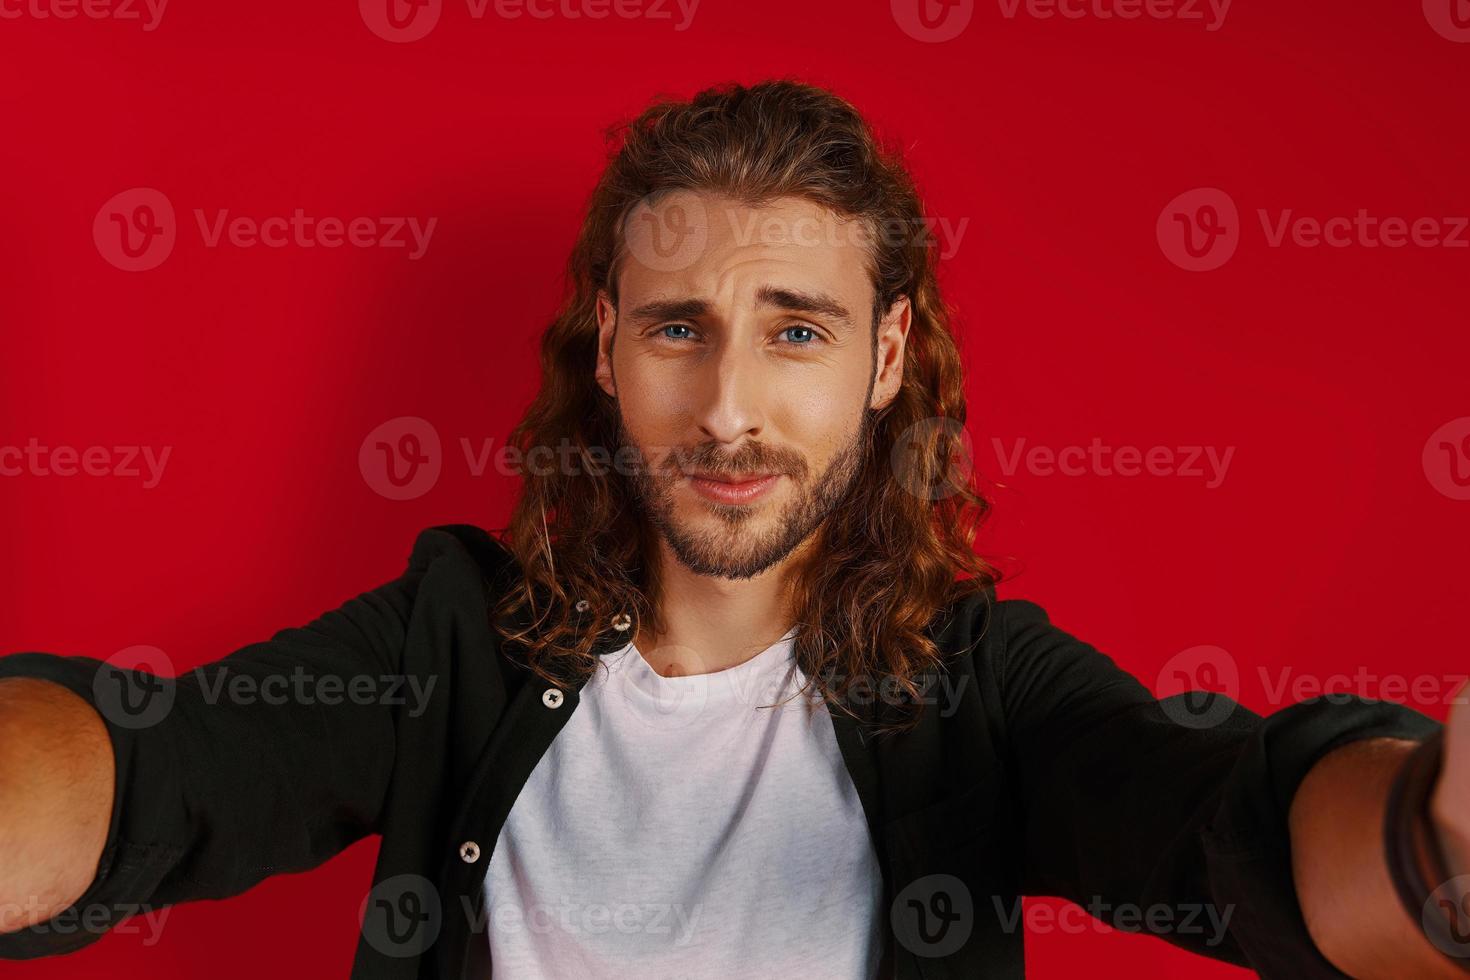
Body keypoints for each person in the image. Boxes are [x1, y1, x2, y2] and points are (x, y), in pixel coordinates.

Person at [1, 79, 1466, 980]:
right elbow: (146, 778)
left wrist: (1438, 841)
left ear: (886, 360)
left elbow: (1227, 834)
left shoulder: (974, 690)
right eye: (681, 328)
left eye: (797, 332)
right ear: (605, 345)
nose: (724, 409)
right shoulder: (451, 640)